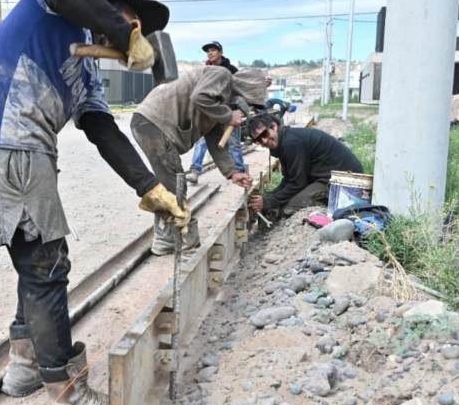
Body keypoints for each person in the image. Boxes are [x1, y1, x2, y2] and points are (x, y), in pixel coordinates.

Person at [0, 0, 189, 405]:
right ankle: (68, 400)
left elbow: (103, 131)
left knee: (35, 258)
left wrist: (149, 188)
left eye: (137, 26)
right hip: (8, 143)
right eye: (130, 19)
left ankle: (24, 364)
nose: (132, 30)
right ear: (102, 3)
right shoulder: (54, 3)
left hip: (10, 148)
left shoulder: (85, 67)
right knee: (46, 268)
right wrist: (125, 34)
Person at [131, 67, 269, 255]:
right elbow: (199, 97)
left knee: (171, 183)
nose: (243, 111)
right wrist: (229, 116)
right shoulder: (222, 75)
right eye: (247, 104)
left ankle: (165, 239)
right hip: (153, 123)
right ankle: (182, 241)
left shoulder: (220, 103)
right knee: (175, 184)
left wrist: (232, 172)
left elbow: (216, 143)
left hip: (154, 125)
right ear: (244, 91)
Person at [247, 114, 363, 218]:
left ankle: (323, 206)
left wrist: (267, 201)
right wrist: (268, 198)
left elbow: (298, 183)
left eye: (265, 134)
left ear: (274, 127)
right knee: (280, 202)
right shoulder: (284, 141)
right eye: (258, 140)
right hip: (326, 176)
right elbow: (289, 179)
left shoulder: (291, 143)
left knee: (290, 207)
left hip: (345, 180)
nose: (264, 141)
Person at [186, 41, 244, 183]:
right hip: (209, 113)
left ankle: (240, 173)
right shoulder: (205, 70)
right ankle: (195, 170)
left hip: (228, 113)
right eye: (208, 51)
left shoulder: (231, 70)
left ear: (221, 52)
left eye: (213, 50)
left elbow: (239, 91)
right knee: (201, 142)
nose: (210, 53)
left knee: (234, 143)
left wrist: (235, 111)